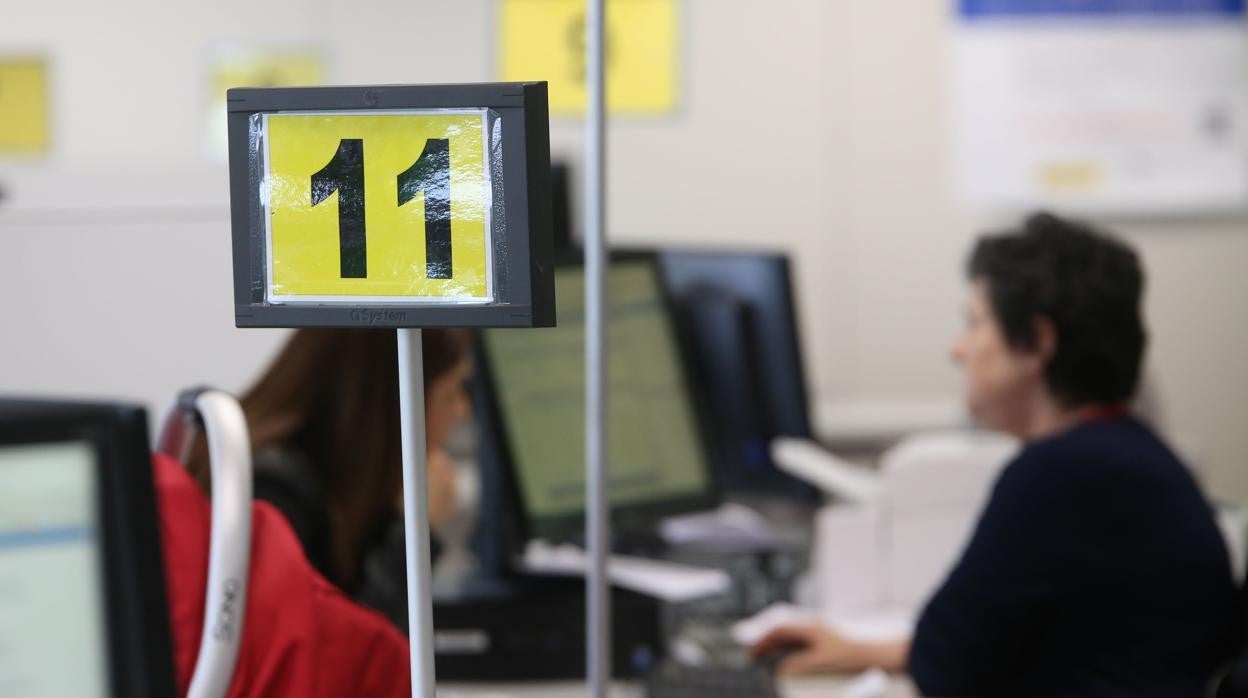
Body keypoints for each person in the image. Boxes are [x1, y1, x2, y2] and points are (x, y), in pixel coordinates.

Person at [751, 213, 1242, 696]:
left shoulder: (1062, 474)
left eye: (975, 324)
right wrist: (870, 650)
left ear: (1037, 341)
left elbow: (946, 670)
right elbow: (992, 646)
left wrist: (914, 654)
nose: (958, 349)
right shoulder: (1123, 453)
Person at [188, 327, 473, 632]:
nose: (462, 410)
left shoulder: (335, 479)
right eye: (450, 393)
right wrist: (413, 533)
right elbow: (333, 658)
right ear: (388, 400)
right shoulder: (274, 490)